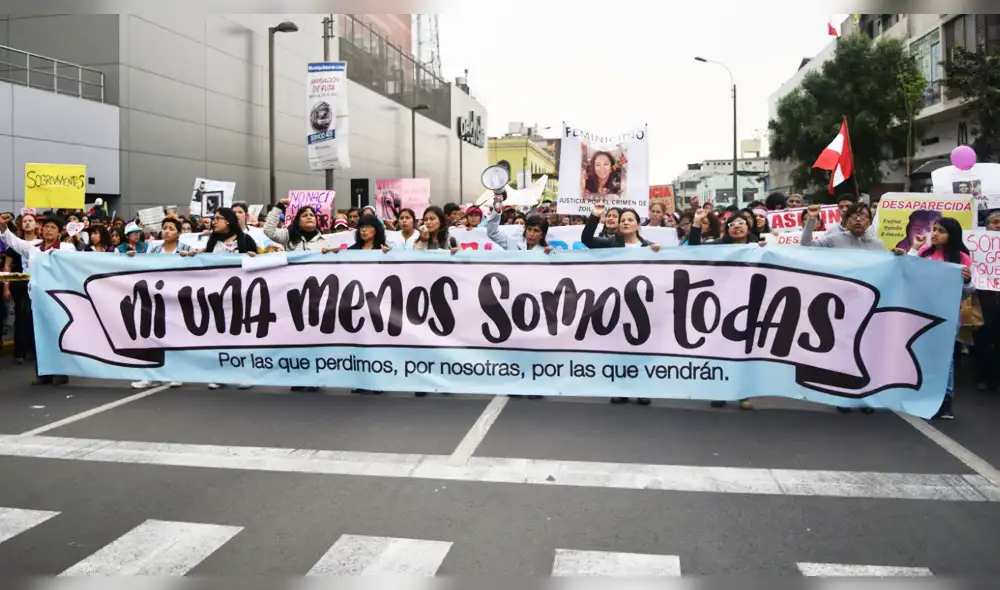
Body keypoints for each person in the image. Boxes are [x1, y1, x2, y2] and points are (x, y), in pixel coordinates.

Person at [582, 202, 660, 406]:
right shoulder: (610, 243)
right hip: (616, 302)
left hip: (641, 303)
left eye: (630, 220)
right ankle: (621, 387)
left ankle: (642, 388)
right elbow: (587, 240)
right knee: (619, 346)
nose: (626, 222)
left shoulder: (649, 246)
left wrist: (659, 255)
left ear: (637, 224)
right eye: (622, 220)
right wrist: (595, 216)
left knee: (641, 346)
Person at [903, 217, 974, 420]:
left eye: (940, 231)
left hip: (948, 315)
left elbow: (969, 290)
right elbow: (908, 270)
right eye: (933, 229)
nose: (934, 233)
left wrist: (967, 280)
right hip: (923, 312)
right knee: (921, 354)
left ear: (951, 235)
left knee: (945, 358)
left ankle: (945, 400)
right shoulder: (925, 253)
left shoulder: (962, 258)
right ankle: (924, 396)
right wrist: (915, 248)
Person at [188, 208, 258, 391]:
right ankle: (220, 374)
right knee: (219, 334)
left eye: (218, 218)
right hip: (217, 296)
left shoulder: (244, 240)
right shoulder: (211, 242)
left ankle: (246, 373)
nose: (214, 222)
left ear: (228, 221)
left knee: (241, 335)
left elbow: (259, 263)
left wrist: (254, 257)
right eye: (214, 218)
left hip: (240, 295)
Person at [0, 213, 75, 385]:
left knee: (58, 335)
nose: (48, 230)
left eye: (53, 227)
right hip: (37, 298)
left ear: (59, 232)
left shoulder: (66, 248)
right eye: (46, 226)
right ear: (41, 229)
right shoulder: (33, 247)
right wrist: (3, 226)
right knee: (39, 337)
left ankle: (61, 372)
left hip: (58, 299)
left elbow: (83, 262)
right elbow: (13, 242)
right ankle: (43, 373)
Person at [802, 203, 884, 250]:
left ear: (869, 222)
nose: (858, 219)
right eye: (854, 216)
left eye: (863, 216)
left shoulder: (878, 245)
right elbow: (806, 246)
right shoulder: (834, 239)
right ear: (847, 222)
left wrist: (895, 254)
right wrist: (811, 218)